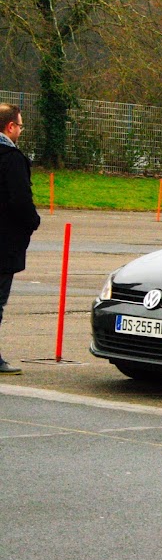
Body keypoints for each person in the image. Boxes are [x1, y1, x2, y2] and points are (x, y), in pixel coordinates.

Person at [0, 104, 41, 375]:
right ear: (10, 127)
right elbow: (20, 200)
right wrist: (33, 222)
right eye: (21, 126)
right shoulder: (11, 158)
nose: (21, 131)